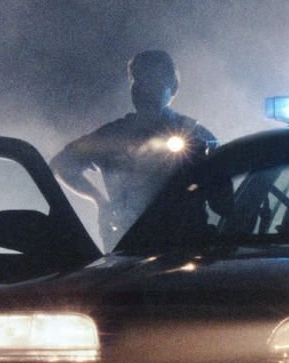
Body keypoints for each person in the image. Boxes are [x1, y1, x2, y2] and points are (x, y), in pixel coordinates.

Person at [50, 50, 217, 250]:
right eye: (138, 79)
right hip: (129, 246)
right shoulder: (113, 135)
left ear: (173, 87)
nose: (143, 88)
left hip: (185, 248)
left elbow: (224, 202)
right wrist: (99, 201)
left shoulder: (196, 136)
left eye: (154, 80)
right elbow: (62, 164)